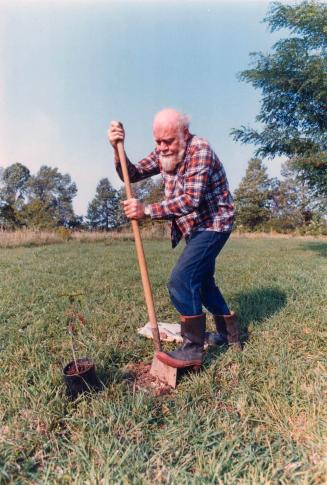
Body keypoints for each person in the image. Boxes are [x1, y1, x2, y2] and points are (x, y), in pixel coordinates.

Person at [107, 108, 241, 370]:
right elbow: (131, 174)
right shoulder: (163, 151)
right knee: (202, 283)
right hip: (194, 228)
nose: (162, 148)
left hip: (215, 223)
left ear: (184, 134)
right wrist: (116, 148)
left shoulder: (200, 149)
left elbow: (191, 200)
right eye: (158, 141)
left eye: (168, 141)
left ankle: (192, 350)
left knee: (182, 280)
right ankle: (231, 336)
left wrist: (145, 210)